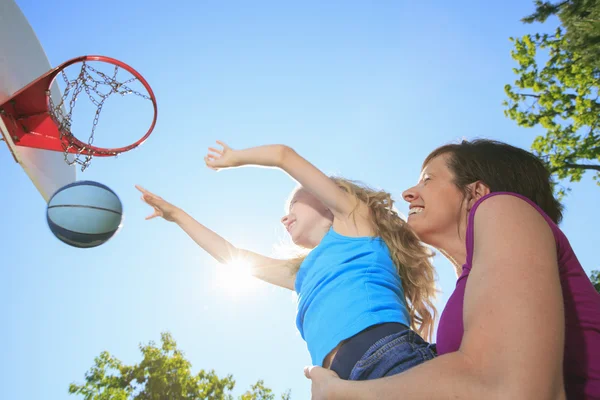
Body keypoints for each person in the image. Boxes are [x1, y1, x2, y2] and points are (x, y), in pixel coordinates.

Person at [304, 139, 600, 399]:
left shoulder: (505, 206)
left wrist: (342, 393)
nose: (408, 193)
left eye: (428, 180)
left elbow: (510, 389)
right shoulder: (468, 292)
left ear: (477, 191)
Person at [136, 141, 438, 381]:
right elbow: (231, 254)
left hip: (385, 354)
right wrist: (177, 216)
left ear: (327, 199)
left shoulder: (355, 222)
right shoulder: (301, 273)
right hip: (339, 382)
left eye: (293, 203)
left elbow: (284, 155)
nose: (285, 216)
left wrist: (235, 157)